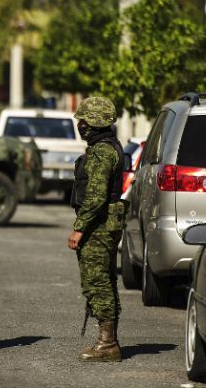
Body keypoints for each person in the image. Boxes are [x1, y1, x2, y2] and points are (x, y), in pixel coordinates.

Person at [68, 96, 127, 362]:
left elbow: (96, 196)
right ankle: (107, 338)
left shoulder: (103, 151)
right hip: (102, 223)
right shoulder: (103, 147)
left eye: (83, 120)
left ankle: (107, 343)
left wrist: (79, 229)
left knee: (98, 281)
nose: (79, 125)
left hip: (99, 225)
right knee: (104, 279)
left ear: (93, 122)